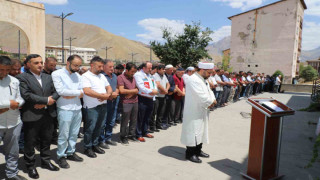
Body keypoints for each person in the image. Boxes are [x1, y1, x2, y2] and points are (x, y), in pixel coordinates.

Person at [17, 54, 60, 179]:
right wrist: (46, 101)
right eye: (36, 63)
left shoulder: (48, 77)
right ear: (28, 64)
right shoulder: (22, 77)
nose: (40, 65)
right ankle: (30, 166)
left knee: (46, 140)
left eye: (41, 62)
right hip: (32, 115)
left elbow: (57, 91)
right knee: (30, 143)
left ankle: (46, 161)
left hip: (48, 114)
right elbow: (26, 94)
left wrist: (49, 101)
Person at [51, 55, 84, 169]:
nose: (77, 68)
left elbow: (82, 91)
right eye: (75, 65)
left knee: (74, 133)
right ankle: (61, 156)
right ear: (68, 62)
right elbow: (61, 91)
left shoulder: (78, 76)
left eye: (79, 66)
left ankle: (71, 152)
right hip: (65, 108)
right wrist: (76, 93)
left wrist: (71, 93)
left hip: (77, 108)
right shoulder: (57, 74)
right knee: (63, 134)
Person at [181, 62, 216, 163]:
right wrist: (210, 102)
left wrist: (213, 100)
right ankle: (190, 154)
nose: (210, 75)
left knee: (201, 131)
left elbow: (210, 91)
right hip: (194, 111)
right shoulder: (193, 80)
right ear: (202, 70)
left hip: (203, 110)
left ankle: (198, 150)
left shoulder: (203, 79)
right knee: (193, 132)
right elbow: (200, 95)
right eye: (209, 72)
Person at [0, 56, 27, 180]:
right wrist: (8, 104)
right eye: (1, 69)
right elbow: (10, 102)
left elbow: (19, 98)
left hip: (14, 122)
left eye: (7, 70)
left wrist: (18, 103)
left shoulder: (14, 81)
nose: (4, 73)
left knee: (13, 151)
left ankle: (11, 174)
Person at [82, 56, 112, 158]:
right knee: (90, 128)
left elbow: (109, 87)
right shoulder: (86, 76)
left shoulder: (102, 76)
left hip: (103, 105)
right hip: (91, 107)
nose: (101, 68)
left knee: (99, 127)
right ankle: (87, 147)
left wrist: (107, 95)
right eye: (99, 66)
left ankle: (95, 144)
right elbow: (87, 91)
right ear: (92, 65)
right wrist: (101, 96)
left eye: (102, 66)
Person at [134, 62, 158, 142]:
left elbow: (154, 85)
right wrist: (151, 91)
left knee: (147, 117)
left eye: (151, 68)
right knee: (140, 117)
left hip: (150, 99)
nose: (150, 69)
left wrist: (155, 91)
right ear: (143, 67)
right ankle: (138, 134)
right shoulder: (138, 75)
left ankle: (145, 131)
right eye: (149, 68)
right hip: (142, 98)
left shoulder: (150, 75)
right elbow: (140, 86)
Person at [117, 62, 139, 144]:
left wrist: (131, 93)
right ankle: (123, 136)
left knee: (134, 119)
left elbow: (138, 89)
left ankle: (132, 135)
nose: (133, 73)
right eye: (132, 72)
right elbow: (121, 90)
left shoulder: (134, 77)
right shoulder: (120, 77)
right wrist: (133, 91)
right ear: (127, 70)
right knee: (125, 120)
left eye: (134, 72)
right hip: (126, 102)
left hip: (135, 101)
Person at [99, 60, 119, 149]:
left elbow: (117, 87)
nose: (112, 68)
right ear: (104, 67)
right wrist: (110, 95)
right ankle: (101, 140)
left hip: (114, 101)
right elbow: (100, 90)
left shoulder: (114, 76)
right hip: (105, 101)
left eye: (113, 67)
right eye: (110, 67)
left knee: (111, 121)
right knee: (103, 121)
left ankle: (108, 138)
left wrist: (116, 93)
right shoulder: (101, 76)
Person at [152, 64, 170, 131]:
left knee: (161, 112)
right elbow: (158, 84)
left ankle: (158, 124)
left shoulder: (164, 76)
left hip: (163, 96)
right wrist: (164, 90)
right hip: (157, 96)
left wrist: (166, 90)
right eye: (163, 69)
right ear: (159, 70)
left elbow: (168, 84)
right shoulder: (155, 76)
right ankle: (152, 126)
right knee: (154, 112)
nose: (164, 70)